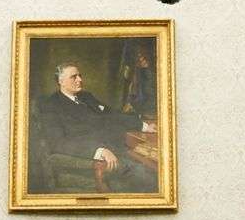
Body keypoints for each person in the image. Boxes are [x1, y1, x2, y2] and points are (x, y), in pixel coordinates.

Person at [34, 61, 159, 193]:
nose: (80, 80)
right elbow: (59, 142)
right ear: (61, 81)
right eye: (74, 77)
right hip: (96, 161)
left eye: (80, 76)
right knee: (150, 177)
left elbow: (111, 114)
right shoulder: (51, 105)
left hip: (119, 148)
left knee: (154, 165)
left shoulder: (86, 97)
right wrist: (99, 151)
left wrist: (143, 126)